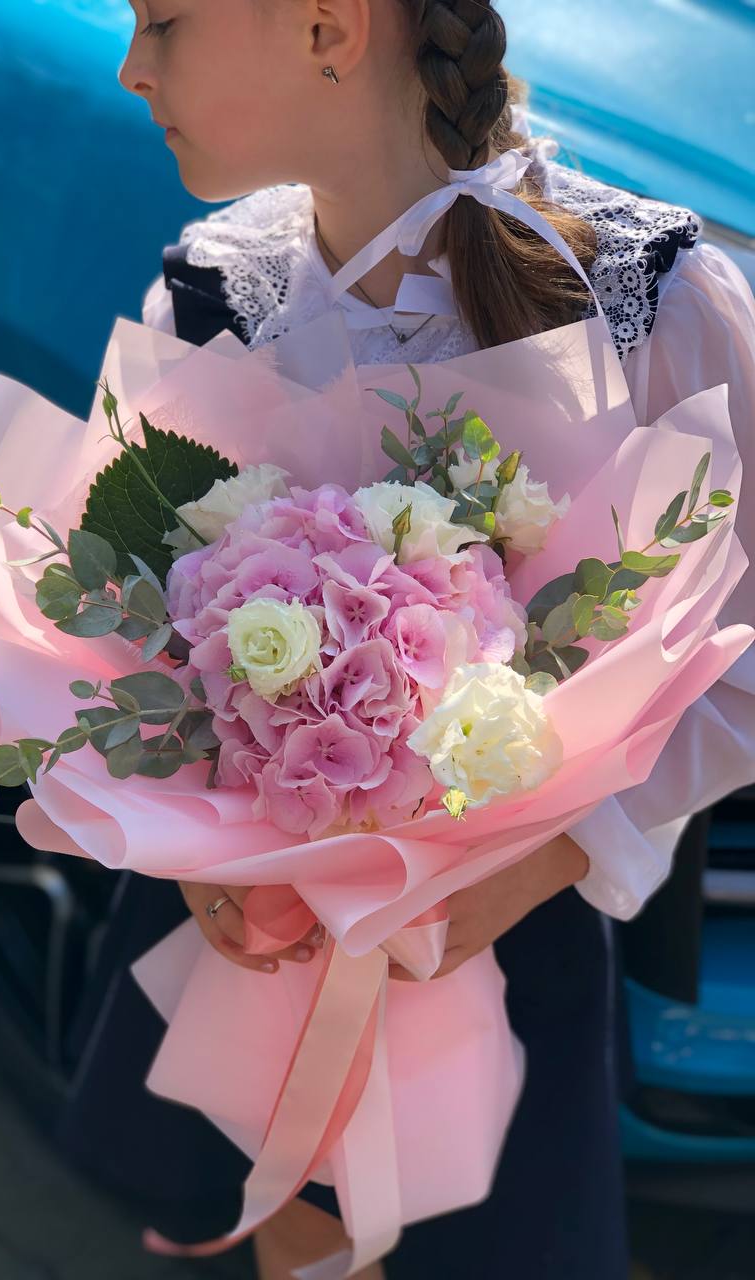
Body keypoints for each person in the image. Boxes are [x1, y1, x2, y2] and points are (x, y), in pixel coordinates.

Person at [55, 3, 755, 1278]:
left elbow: (741, 658)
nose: (131, 68)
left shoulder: (649, 304)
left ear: (329, 27)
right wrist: (191, 844)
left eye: (164, 20)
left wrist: (553, 854)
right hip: (262, 927)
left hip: (500, 937)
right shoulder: (206, 293)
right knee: (290, 1217)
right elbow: (148, 615)